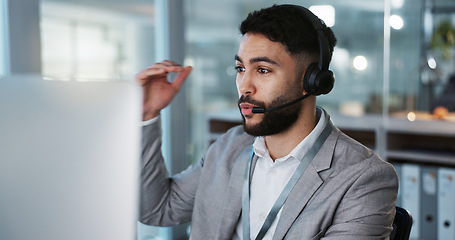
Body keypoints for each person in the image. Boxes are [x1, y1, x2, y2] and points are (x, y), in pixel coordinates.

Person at [137, 4, 398, 240]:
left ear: (311, 81)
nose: (244, 87)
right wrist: (147, 114)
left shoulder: (364, 179)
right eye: (241, 69)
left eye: (262, 70)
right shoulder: (229, 147)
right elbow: (156, 210)